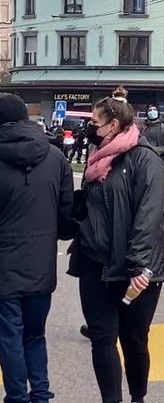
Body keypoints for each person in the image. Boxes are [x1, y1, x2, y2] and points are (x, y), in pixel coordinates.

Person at [72, 87, 164, 403]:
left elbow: (149, 214)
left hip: (135, 271)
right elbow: (90, 206)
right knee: (102, 338)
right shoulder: (95, 158)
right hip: (94, 264)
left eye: (96, 123)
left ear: (113, 124)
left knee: (134, 340)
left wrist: (138, 263)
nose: (92, 128)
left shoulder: (144, 158)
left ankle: (138, 396)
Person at [0, 94, 75, 403]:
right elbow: (67, 216)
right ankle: (41, 394)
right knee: (34, 334)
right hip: (42, 263)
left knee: (9, 337)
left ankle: (17, 396)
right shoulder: (56, 156)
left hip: (3, 264)